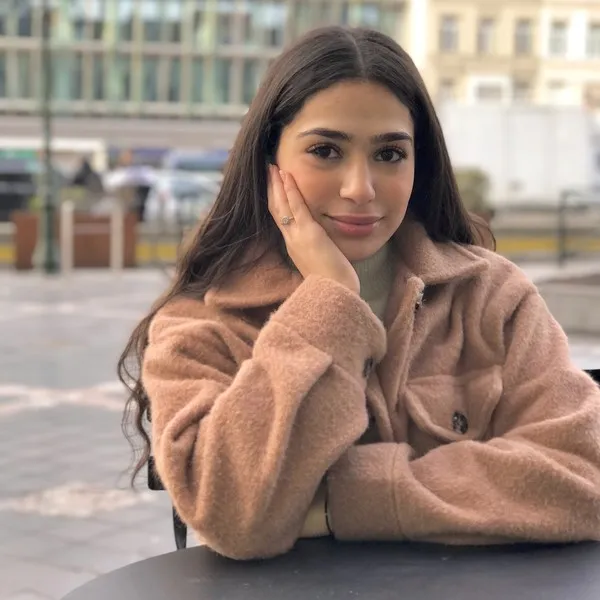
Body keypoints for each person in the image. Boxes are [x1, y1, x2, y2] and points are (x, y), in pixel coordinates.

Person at [118, 26, 600, 560]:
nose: (360, 189)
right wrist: (329, 300)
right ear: (269, 161)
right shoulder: (205, 320)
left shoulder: (492, 296)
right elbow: (232, 514)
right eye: (325, 150)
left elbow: (583, 474)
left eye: (389, 154)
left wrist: (337, 503)